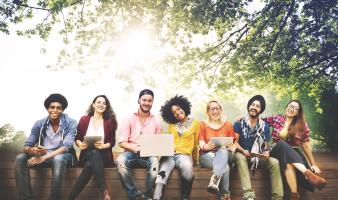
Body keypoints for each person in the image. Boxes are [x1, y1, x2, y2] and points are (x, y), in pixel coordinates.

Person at [15, 93, 78, 200]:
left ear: (62, 110)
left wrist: (43, 157)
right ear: (47, 108)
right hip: (43, 155)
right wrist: (32, 151)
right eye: (52, 107)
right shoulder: (39, 124)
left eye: (59, 108)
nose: (55, 110)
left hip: (64, 156)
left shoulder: (71, 123)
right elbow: (27, 146)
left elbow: (66, 147)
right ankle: (26, 197)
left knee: (58, 159)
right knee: (20, 158)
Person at [264, 100, 327, 200]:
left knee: (289, 162)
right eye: (290, 106)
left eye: (295, 108)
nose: (291, 109)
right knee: (282, 144)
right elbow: (259, 120)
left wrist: (313, 163)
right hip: (276, 150)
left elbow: (305, 145)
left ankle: (294, 195)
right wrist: (242, 118)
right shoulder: (277, 118)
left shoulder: (302, 125)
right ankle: (308, 174)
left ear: (298, 112)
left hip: (293, 154)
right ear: (286, 107)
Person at [233, 95, 283, 200]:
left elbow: (265, 146)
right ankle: (248, 195)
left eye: (257, 106)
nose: (254, 107)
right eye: (252, 105)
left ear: (261, 110)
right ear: (249, 106)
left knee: (275, 162)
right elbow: (234, 142)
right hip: (244, 154)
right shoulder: (239, 122)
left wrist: (266, 152)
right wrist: (242, 150)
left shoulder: (264, 125)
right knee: (238, 156)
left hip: (258, 157)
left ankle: (277, 197)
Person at [68, 95, 117, 200]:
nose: (101, 105)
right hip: (86, 154)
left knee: (90, 164)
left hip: (103, 156)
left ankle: (70, 198)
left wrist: (104, 145)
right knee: (93, 154)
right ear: (93, 105)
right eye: (98, 102)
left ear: (106, 106)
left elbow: (112, 141)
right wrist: (80, 144)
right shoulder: (84, 120)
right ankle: (104, 190)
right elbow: (77, 138)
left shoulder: (109, 121)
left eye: (104, 103)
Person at [116, 89, 162, 200]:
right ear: (139, 100)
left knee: (155, 163)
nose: (147, 103)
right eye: (144, 100)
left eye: (149, 101)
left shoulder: (157, 120)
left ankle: (147, 196)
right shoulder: (129, 118)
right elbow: (122, 142)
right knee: (120, 161)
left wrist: (156, 153)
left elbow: (158, 144)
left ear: (152, 102)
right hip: (131, 153)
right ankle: (135, 196)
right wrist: (136, 149)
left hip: (148, 155)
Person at [153, 95, 199, 200]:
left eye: (178, 109)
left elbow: (195, 143)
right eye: (174, 112)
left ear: (183, 107)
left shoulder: (195, 123)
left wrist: (195, 161)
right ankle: (156, 197)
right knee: (160, 177)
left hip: (184, 155)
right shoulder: (171, 125)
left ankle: (185, 197)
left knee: (188, 170)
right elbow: (169, 142)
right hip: (169, 155)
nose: (177, 113)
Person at [199, 100, 237, 200]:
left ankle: (215, 179)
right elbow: (201, 142)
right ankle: (225, 196)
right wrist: (205, 147)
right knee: (226, 168)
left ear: (221, 110)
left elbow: (233, 142)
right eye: (212, 109)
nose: (215, 111)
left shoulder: (228, 124)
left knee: (223, 150)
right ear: (208, 111)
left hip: (226, 155)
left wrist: (233, 147)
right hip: (207, 156)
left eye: (217, 108)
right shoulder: (203, 124)